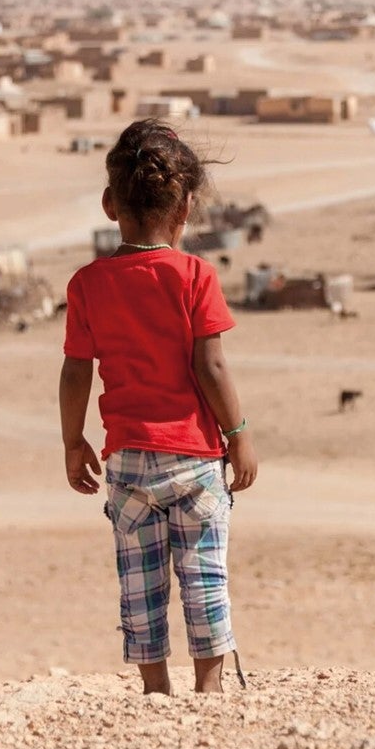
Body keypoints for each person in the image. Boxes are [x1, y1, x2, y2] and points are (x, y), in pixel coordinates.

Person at [58, 119, 257, 694]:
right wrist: (238, 431)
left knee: (139, 581)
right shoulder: (195, 275)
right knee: (203, 575)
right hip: (193, 460)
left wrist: (74, 441)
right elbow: (210, 366)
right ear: (188, 206)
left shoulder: (88, 283)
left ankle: (154, 692)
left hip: (126, 460)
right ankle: (210, 691)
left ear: (108, 203)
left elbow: (77, 370)